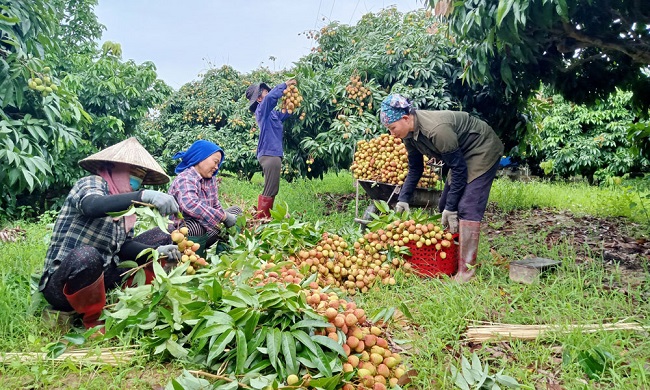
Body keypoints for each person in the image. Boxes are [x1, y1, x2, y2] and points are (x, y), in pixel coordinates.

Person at [39, 137, 182, 332]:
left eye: (141, 175)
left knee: (164, 234)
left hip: (103, 277)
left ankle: (139, 295)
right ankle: (93, 319)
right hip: (65, 283)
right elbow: (92, 206)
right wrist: (142, 196)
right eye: (133, 172)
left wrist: (156, 252)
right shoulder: (91, 183)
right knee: (87, 256)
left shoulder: (127, 209)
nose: (137, 180)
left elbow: (124, 246)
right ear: (114, 166)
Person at [380, 94, 504, 282]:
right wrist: (403, 198)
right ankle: (452, 259)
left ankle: (466, 272)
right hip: (461, 154)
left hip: (482, 147)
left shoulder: (436, 130)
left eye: (392, 128)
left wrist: (453, 208)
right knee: (443, 205)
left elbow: (459, 169)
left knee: (467, 207)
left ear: (405, 118)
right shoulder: (409, 136)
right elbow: (415, 168)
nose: (391, 134)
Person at [168, 140, 242, 253]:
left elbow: (216, 204)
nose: (217, 167)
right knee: (196, 227)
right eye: (215, 162)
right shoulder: (185, 178)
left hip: (205, 225)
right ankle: (192, 259)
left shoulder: (210, 179)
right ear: (200, 158)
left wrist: (226, 218)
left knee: (236, 211)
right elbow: (191, 205)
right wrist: (224, 217)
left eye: (218, 164)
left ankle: (226, 251)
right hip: (182, 233)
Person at [245, 78, 297, 218]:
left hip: (273, 153)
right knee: (270, 188)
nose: (267, 93)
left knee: (273, 188)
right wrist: (284, 85)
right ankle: (261, 219)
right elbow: (270, 99)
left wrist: (291, 99)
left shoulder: (272, 114)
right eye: (264, 92)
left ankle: (264, 217)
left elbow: (287, 114)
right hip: (269, 154)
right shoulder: (261, 111)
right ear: (259, 99)